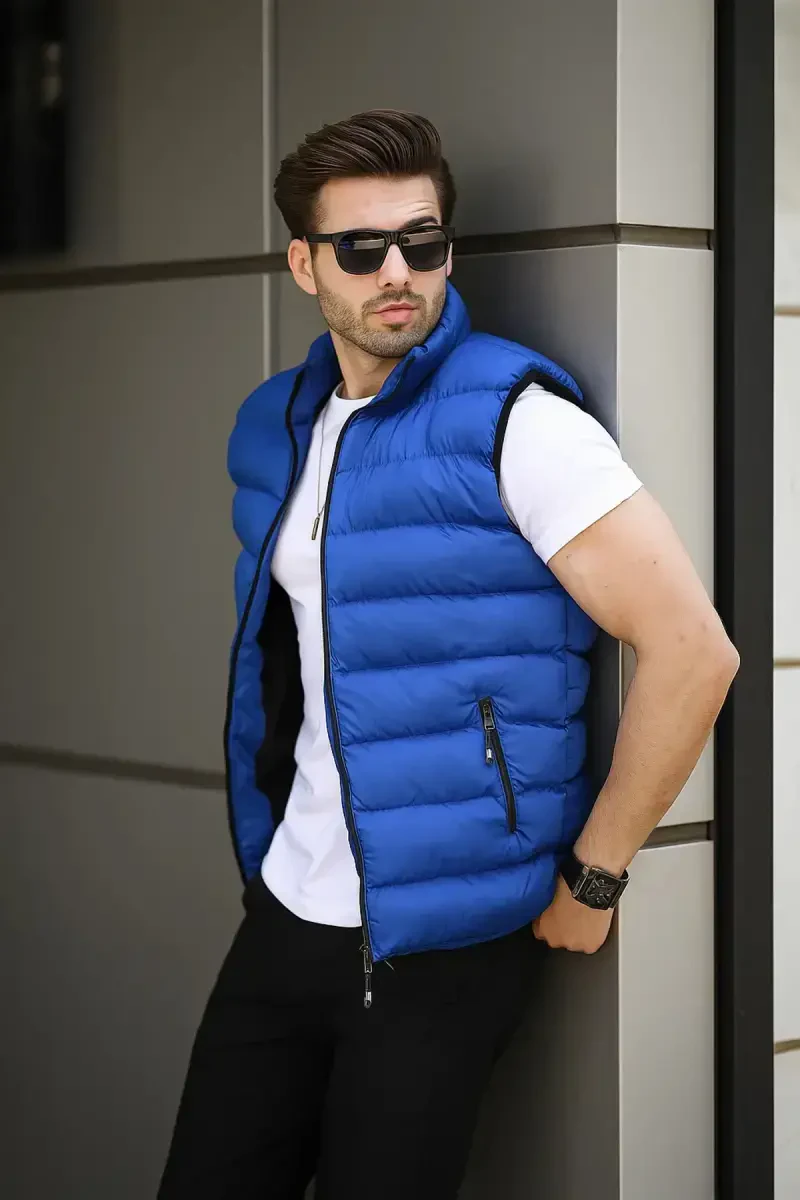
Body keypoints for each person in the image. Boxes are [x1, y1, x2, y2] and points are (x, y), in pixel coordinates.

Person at [158, 109, 739, 1200]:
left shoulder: (516, 419)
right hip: (290, 909)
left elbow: (691, 650)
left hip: (449, 939)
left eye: (421, 243)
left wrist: (594, 877)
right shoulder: (275, 425)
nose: (397, 272)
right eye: (361, 248)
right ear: (302, 264)